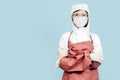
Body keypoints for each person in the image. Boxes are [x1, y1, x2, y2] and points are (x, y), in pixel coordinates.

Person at [56, 3, 103, 80]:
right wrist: (88, 57)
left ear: (88, 17)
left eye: (83, 15)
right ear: (72, 17)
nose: (80, 17)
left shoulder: (94, 37)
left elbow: (96, 63)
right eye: (76, 15)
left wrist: (73, 60)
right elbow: (62, 63)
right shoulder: (66, 36)